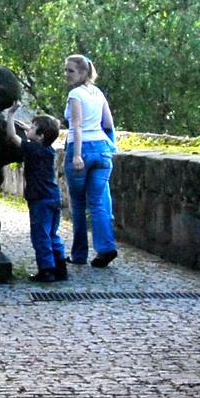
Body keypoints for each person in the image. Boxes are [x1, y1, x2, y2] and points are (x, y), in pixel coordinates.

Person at [61, 54, 118, 268]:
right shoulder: (98, 93)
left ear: (84, 72)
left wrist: (76, 155)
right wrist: (110, 147)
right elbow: (108, 123)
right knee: (97, 202)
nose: (66, 74)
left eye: (71, 71)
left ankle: (79, 254)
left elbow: (76, 125)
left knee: (77, 204)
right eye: (66, 70)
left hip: (82, 150)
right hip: (102, 150)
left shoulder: (76, 94)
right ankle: (105, 248)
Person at [16, 113, 66, 282]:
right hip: (53, 197)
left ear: (41, 135)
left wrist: (9, 117)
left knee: (40, 235)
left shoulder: (33, 149)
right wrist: (29, 130)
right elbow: (33, 138)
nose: (28, 129)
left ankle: (46, 270)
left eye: (32, 127)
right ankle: (60, 267)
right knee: (52, 234)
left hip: (40, 199)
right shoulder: (48, 150)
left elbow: (12, 137)